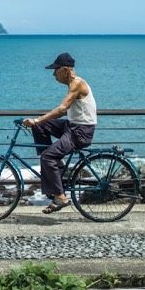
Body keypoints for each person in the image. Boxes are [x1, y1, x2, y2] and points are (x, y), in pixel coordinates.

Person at [22, 52, 97, 214]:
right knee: (40, 127)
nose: (53, 74)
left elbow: (62, 109)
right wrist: (38, 122)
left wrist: (37, 119)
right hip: (72, 126)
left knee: (47, 156)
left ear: (64, 70)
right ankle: (55, 171)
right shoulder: (73, 83)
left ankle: (60, 197)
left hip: (80, 132)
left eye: (55, 70)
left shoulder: (77, 84)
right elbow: (63, 113)